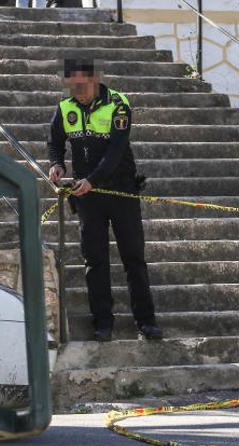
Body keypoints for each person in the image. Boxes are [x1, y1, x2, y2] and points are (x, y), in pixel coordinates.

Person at [47, 58, 161, 342]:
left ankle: (145, 321)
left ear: (95, 80)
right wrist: (57, 163)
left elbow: (116, 150)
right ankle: (103, 323)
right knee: (94, 259)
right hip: (87, 197)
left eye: (82, 86)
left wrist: (92, 181)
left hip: (120, 190)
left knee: (133, 257)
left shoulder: (118, 104)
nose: (78, 92)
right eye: (72, 86)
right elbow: (55, 140)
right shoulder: (65, 108)